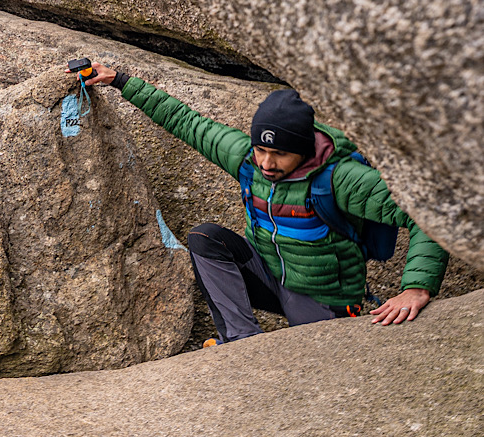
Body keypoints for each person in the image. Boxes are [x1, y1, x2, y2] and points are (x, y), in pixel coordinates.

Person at [78, 62, 449, 344]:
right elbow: (184, 120)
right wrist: (120, 80)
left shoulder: (339, 180)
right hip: (269, 277)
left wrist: (416, 286)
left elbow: (427, 212)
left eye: (279, 154)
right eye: (261, 150)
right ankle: (242, 340)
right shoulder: (245, 159)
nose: (267, 163)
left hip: (323, 299)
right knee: (206, 238)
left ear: (303, 152)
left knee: (315, 364)